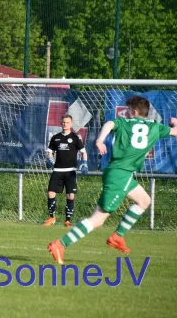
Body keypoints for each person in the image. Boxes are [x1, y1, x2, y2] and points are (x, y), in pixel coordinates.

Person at [48, 96, 177, 264]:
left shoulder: (125, 123)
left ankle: (118, 236)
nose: (128, 112)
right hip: (120, 174)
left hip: (120, 173)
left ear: (135, 111)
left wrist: (100, 139)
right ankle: (60, 244)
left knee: (144, 200)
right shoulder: (155, 127)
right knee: (98, 219)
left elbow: (109, 124)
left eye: (130, 109)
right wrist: (174, 123)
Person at [43, 114, 88, 228]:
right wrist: (49, 158)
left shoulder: (75, 137)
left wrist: (85, 163)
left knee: (70, 196)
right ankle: (52, 217)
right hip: (57, 170)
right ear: (61, 123)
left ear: (71, 124)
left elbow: (83, 152)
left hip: (71, 171)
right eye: (63, 122)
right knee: (51, 193)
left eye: (67, 122)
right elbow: (50, 152)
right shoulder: (55, 137)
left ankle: (67, 220)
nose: (65, 124)